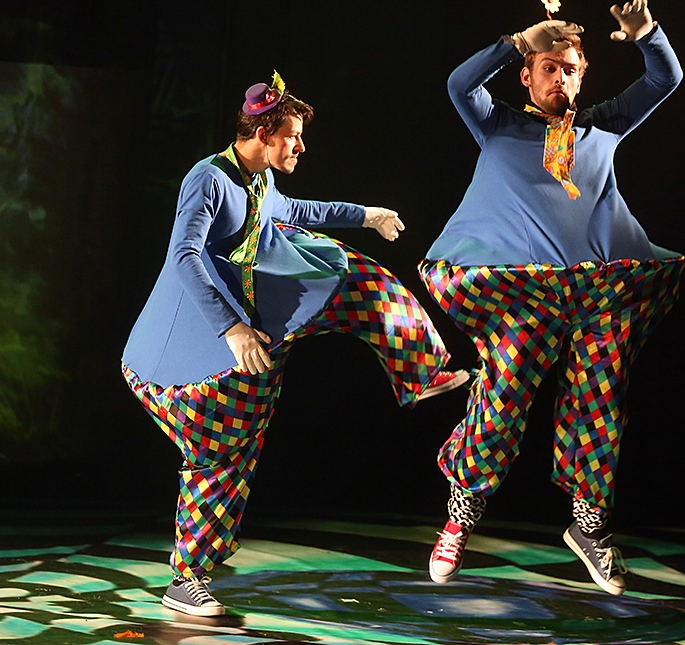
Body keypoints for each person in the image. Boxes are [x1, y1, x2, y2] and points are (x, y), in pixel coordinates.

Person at [121, 72, 468, 617]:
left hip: (246, 343)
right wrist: (231, 328)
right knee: (220, 459)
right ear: (263, 134)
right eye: (292, 137)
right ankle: (186, 580)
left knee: (358, 278)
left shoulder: (259, 180)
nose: (301, 147)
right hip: (180, 363)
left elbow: (296, 211)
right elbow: (183, 256)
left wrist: (365, 215)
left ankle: (420, 371)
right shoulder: (208, 178)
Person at [420, 0, 685, 595]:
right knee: (502, 400)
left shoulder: (604, 125)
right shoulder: (498, 125)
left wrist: (646, 33)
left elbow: (665, 78)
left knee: (601, 404)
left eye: (569, 69)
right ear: (528, 76)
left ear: (582, 76)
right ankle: (460, 515)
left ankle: (589, 527)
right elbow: (459, 85)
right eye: (548, 67)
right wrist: (520, 39)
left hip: (598, 290)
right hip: (524, 294)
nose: (559, 77)